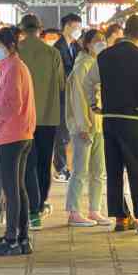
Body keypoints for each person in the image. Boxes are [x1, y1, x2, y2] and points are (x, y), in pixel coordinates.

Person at [82, 14, 138, 233]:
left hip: (109, 120)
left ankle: (121, 217)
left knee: (114, 169)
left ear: (126, 31)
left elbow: (87, 82)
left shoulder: (104, 56)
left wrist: (94, 104)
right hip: (133, 119)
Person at [18, 14, 66, 229]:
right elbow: (61, 84)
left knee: (23, 163)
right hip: (47, 116)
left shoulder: (14, 52)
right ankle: (37, 209)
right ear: (40, 29)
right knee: (43, 162)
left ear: (21, 29)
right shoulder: (52, 52)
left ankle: (26, 206)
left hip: (19, 118)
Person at [0, 27, 35, 256]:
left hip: (11, 135)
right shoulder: (12, 67)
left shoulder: (13, 68)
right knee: (18, 187)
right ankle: (22, 236)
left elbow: (12, 104)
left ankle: (12, 238)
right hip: (22, 133)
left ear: (9, 47)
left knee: (11, 189)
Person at [65, 29, 112, 227]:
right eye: (96, 40)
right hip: (84, 125)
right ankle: (74, 211)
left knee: (98, 170)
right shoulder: (81, 66)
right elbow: (78, 98)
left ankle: (95, 209)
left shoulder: (98, 63)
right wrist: (83, 125)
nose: (101, 43)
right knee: (80, 170)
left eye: (103, 40)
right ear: (87, 44)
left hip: (99, 123)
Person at [53, 13, 82, 181]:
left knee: (72, 133)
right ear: (67, 27)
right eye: (76, 27)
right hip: (62, 96)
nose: (78, 30)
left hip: (75, 95)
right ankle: (60, 168)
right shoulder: (57, 48)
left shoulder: (76, 47)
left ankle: (69, 166)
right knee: (62, 134)